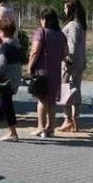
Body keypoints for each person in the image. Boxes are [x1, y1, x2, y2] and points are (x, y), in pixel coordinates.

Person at [29, 8, 68, 138]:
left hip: (42, 71)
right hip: (55, 71)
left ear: (44, 19)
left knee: (42, 100)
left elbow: (35, 51)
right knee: (52, 101)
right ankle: (50, 127)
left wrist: (30, 66)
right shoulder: (61, 35)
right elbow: (65, 53)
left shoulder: (41, 32)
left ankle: (40, 126)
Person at [0, 17, 23, 141]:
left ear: (1, 31)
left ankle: (13, 132)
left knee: (6, 104)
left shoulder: (4, 47)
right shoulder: (16, 43)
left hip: (5, 79)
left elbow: (0, 64)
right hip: (15, 76)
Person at [58, 0, 88, 132]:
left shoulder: (72, 25)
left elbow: (72, 44)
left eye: (65, 8)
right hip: (79, 61)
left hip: (70, 62)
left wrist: (68, 62)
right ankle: (75, 120)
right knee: (75, 89)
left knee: (65, 89)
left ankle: (68, 119)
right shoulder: (81, 25)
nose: (64, 11)